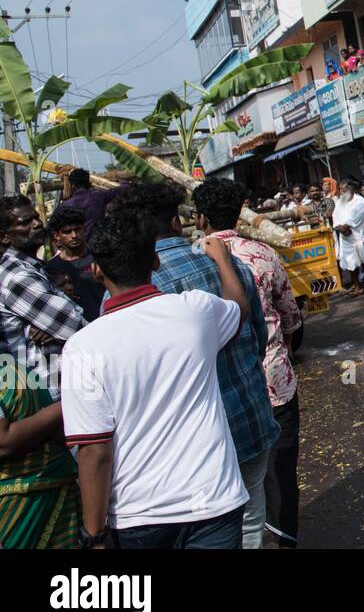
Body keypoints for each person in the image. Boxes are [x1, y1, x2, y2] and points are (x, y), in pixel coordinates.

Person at [62, 211, 251, 549]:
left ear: (96, 271)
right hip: (212, 500)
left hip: (138, 515)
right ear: (155, 261)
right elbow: (239, 307)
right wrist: (223, 261)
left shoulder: (81, 347)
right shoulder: (195, 311)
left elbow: (94, 452)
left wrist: (94, 535)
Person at [111, 182, 277, 549]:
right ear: (176, 221)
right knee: (249, 523)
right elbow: (256, 337)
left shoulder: (129, 288)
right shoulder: (227, 263)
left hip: (183, 444)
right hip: (246, 417)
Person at [193, 179, 303, 549]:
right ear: (241, 211)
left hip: (222, 389)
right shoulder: (263, 253)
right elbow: (290, 316)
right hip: (274, 379)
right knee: (281, 468)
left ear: (200, 216)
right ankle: (283, 537)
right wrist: (280, 352)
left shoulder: (192, 260)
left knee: (234, 474)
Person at [0, 327, 80, 548]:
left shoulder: (14, 369)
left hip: (51, 499)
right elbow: (3, 443)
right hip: (18, 508)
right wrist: (66, 405)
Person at [0, 197, 85, 399]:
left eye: (36, 217)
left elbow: (66, 317)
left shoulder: (32, 266)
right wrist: (60, 319)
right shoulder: (17, 276)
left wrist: (51, 323)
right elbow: (74, 325)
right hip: (52, 387)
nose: (37, 224)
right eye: (25, 222)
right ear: (4, 237)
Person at [41, 206, 104, 322]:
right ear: (57, 236)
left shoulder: (100, 256)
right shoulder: (51, 268)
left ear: (84, 230)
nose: (74, 235)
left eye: (77, 229)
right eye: (67, 232)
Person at [54, 168, 123, 234]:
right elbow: (123, 188)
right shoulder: (100, 196)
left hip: (79, 243)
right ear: (88, 182)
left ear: (72, 185)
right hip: (100, 240)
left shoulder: (65, 206)